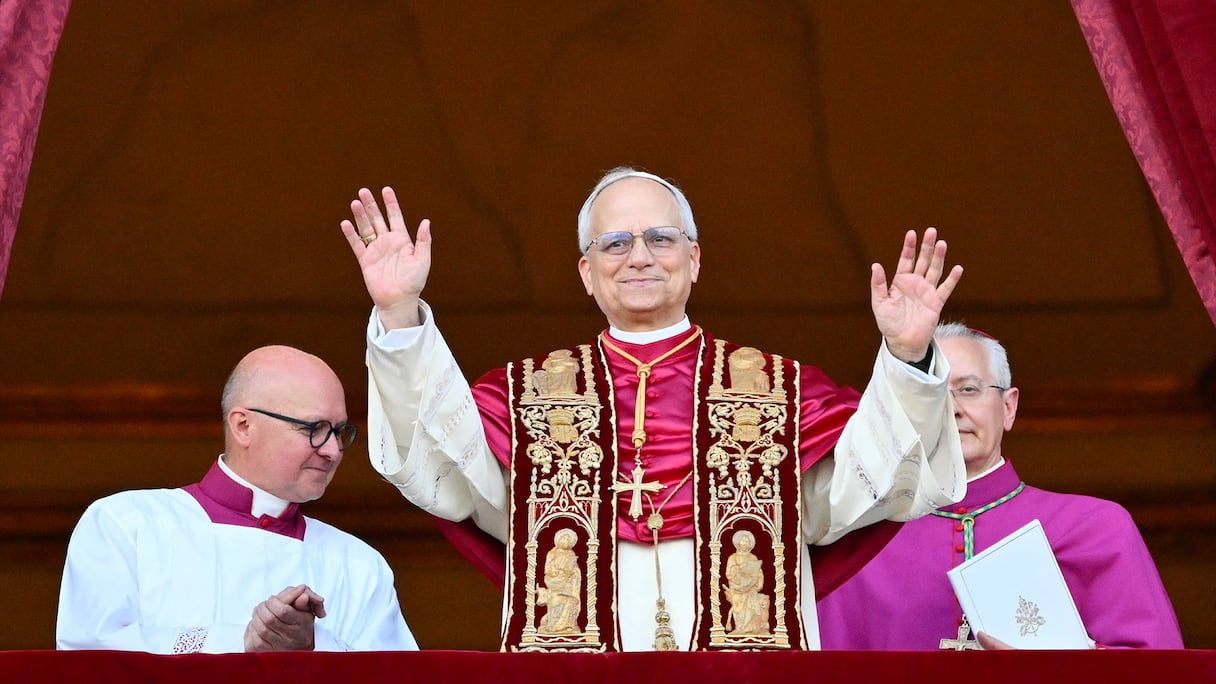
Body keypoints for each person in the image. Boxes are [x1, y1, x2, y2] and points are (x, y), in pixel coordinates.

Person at [340, 166, 968, 651]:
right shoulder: (526, 395)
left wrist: (908, 357)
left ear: (694, 259)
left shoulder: (779, 389)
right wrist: (399, 317)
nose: (639, 256)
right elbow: (439, 469)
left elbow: (874, 485)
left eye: (661, 238)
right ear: (586, 272)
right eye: (615, 243)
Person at [815, 323, 1185, 649]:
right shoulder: (855, 540)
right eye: (933, 395)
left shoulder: (1095, 526)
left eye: (969, 389)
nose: (952, 409)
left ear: (1008, 407)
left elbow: (1159, 670)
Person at [56, 345, 419, 653]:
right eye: (315, 429)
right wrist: (241, 641)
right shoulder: (125, 524)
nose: (333, 450)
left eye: (339, 432)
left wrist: (312, 645)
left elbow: (397, 675)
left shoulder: (360, 564)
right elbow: (91, 657)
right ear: (243, 426)